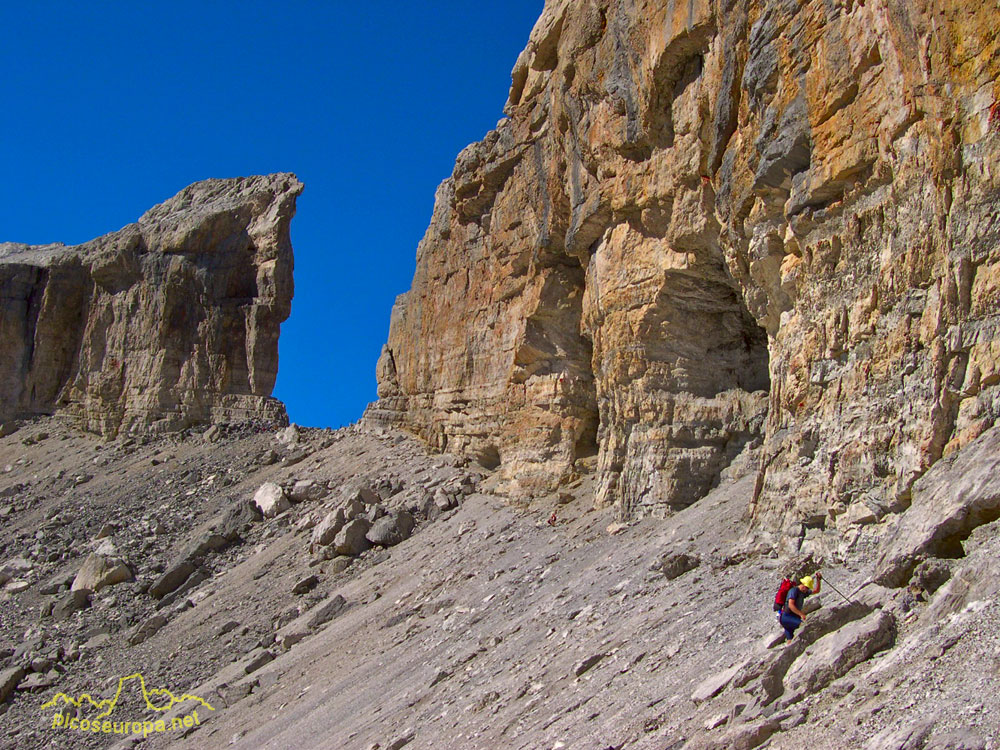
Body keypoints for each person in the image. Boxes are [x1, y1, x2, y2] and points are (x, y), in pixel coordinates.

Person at [779, 572, 821, 641]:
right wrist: (801, 614)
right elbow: (791, 605)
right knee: (803, 625)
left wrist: (818, 580)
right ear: (803, 585)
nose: (807, 589)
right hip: (786, 617)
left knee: (790, 640)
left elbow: (816, 590)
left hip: (790, 618)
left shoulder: (803, 592)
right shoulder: (794, 591)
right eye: (807, 587)